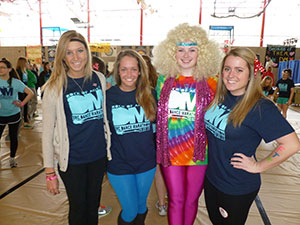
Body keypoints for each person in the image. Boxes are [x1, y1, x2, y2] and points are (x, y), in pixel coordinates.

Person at [204, 47, 300, 225]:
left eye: (239, 70)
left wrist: (259, 166)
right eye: (227, 69)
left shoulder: (260, 107)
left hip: (236, 185)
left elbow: (292, 144)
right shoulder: (221, 97)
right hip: (212, 178)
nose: (231, 75)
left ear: (251, 75)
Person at [152, 23, 222, 225]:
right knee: (175, 200)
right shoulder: (164, 80)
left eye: (192, 49)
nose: (186, 55)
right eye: (180, 49)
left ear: (202, 53)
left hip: (200, 152)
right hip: (171, 151)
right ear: (172, 52)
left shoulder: (212, 82)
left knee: (191, 201)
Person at [42, 30, 111, 225]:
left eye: (80, 50)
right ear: (62, 56)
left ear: (87, 52)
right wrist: (49, 173)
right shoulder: (54, 87)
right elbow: (46, 133)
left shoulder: (99, 78)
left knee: (93, 207)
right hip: (72, 161)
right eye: (69, 52)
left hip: (98, 157)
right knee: (78, 208)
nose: (76, 57)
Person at [106, 49, 157, 225]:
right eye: (124, 69)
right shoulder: (107, 97)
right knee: (130, 210)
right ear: (117, 72)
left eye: (133, 69)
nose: (129, 74)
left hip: (146, 163)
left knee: (142, 207)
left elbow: (157, 129)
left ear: (140, 71)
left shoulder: (150, 94)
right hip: (120, 164)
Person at [142, 54, 168, 216]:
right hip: (142, 136)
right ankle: (161, 202)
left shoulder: (158, 85)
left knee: (160, 168)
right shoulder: (128, 86)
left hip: (158, 134)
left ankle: (162, 202)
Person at [0, 58, 33, 168]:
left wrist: (22, 103)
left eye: (3, 67)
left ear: (9, 69)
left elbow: (30, 93)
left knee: (13, 137)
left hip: (13, 114)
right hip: (1, 115)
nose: (0, 69)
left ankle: (12, 159)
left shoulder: (15, 82)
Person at [16, 57, 31, 128]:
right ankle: (21, 122)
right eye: (26, 62)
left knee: (25, 106)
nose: (27, 63)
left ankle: (25, 121)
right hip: (21, 92)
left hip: (25, 91)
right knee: (22, 108)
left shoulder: (24, 71)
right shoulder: (18, 71)